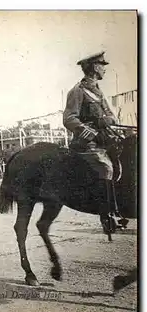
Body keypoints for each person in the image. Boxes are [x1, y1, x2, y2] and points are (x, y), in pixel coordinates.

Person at [63, 51, 127, 230]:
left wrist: (111, 121)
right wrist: (91, 129)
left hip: (104, 140)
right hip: (87, 144)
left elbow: (110, 116)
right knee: (105, 167)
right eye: (102, 66)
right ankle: (107, 215)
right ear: (93, 68)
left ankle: (118, 208)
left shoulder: (97, 91)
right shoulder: (77, 91)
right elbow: (69, 119)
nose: (105, 69)